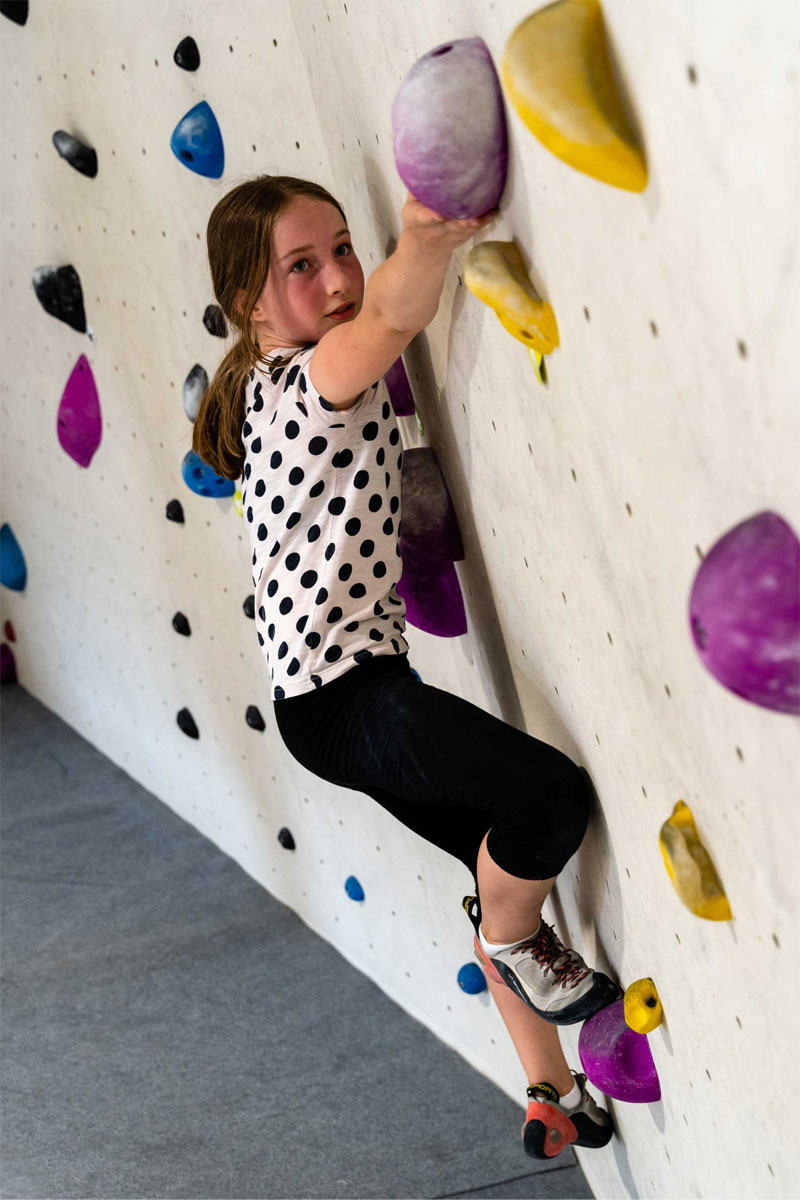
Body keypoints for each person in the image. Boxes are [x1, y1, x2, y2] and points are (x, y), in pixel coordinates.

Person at [193, 174, 620, 1160]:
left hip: (338, 702)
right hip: (347, 702)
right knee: (545, 801)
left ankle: (550, 1091)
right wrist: (429, 233)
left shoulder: (267, 384)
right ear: (248, 302)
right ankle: (516, 947)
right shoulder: (305, 387)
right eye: (302, 266)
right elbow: (389, 313)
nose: (338, 276)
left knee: (492, 858)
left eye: (344, 247)